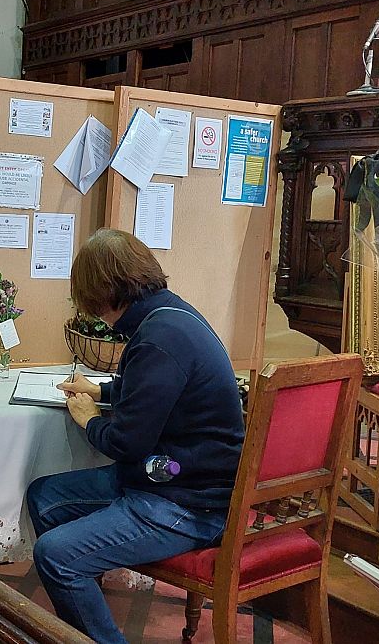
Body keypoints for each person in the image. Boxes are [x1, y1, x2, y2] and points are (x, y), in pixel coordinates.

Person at [25, 228, 244, 644]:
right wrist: (102, 390)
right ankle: (81, 622)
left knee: (57, 556)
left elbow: (127, 443)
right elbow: (160, 391)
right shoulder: (170, 314)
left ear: (104, 292)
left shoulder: (159, 337)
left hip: (188, 503)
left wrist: (90, 419)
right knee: (45, 497)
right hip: (176, 479)